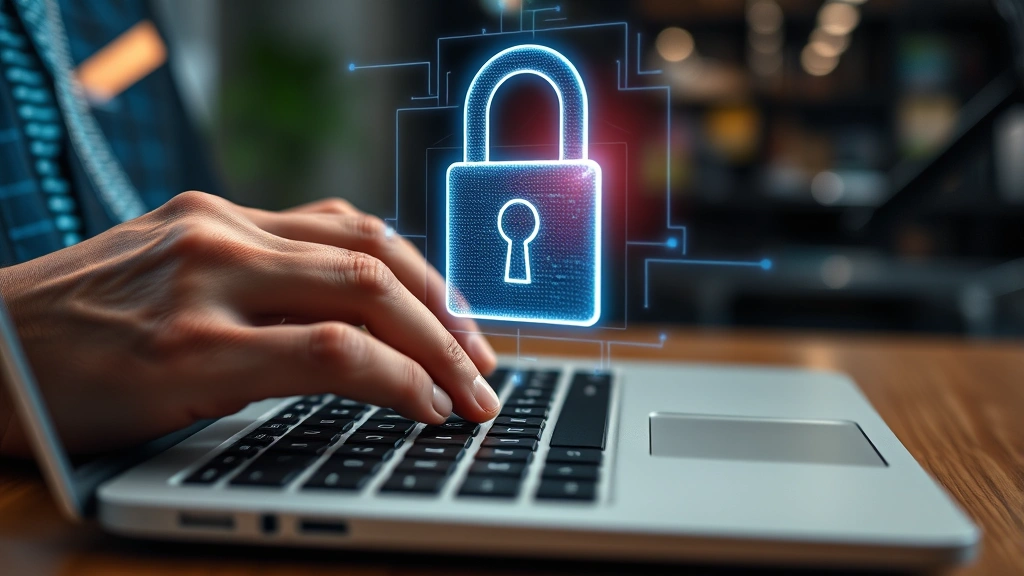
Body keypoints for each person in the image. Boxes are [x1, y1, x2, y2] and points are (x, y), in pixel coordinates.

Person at [0, 1, 498, 457]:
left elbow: (194, 231)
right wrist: (12, 359)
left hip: (176, 440)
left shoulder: (118, 12)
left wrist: (265, 279)